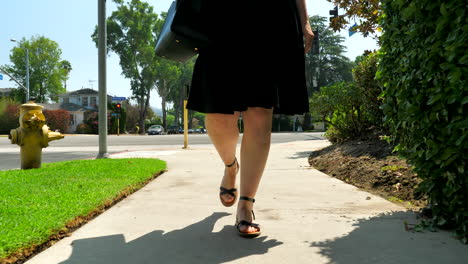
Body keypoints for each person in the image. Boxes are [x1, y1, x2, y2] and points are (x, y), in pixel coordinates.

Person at [186, 0, 314, 238]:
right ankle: (230, 166)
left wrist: (304, 20)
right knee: (218, 115)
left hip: (272, 18)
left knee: (260, 111)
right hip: (221, 17)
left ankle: (245, 205)